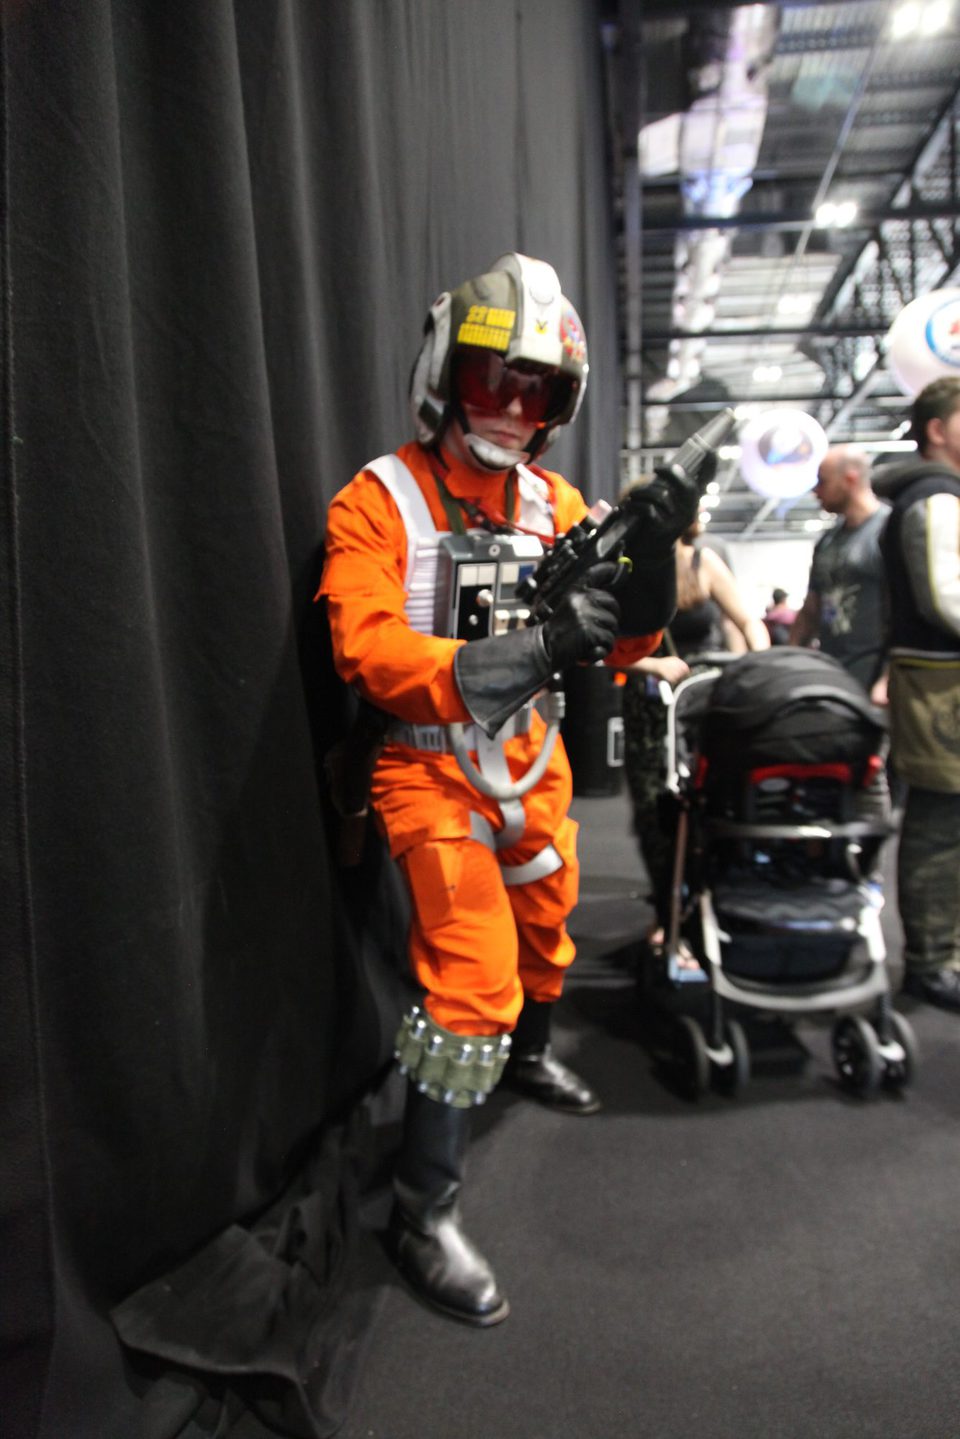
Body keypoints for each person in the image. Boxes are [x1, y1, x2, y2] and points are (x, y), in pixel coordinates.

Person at [318, 253, 699, 1326]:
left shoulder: (558, 502)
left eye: (541, 389)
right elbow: (369, 648)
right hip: (430, 767)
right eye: (496, 377)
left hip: (533, 764)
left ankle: (526, 1058)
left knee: (548, 932)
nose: (515, 407)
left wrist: (656, 548)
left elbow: (628, 642)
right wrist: (526, 649)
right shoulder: (379, 499)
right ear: (449, 370)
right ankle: (422, 1207)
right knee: (471, 973)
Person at [623, 523, 770, 959]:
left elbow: (747, 621)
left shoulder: (704, 563)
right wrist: (651, 665)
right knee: (655, 813)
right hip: (650, 707)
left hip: (703, 701)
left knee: (710, 808)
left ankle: (705, 904)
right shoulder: (626, 570)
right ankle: (668, 909)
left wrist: (759, 665)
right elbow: (600, 645)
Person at [872, 376, 960, 1014]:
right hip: (940, 687)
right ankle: (931, 961)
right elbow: (945, 597)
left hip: (938, 682)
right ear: (937, 428)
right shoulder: (933, 497)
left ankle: (940, 953)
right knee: (939, 824)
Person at [790, 445, 889, 691]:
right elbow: (811, 609)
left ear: (850, 478)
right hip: (834, 675)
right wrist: (786, 661)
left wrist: (888, 677)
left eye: (822, 482)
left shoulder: (888, 529)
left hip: (875, 675)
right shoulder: (827, 541)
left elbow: (907, 609)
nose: (816, 491)